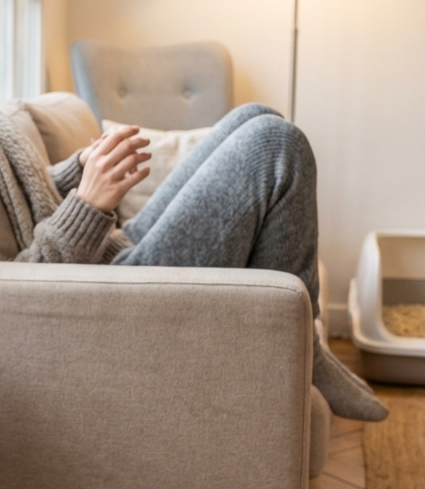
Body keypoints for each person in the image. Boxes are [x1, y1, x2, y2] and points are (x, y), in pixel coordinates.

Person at [22, 103, 388, 422]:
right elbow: (26, 293)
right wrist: (86, 205)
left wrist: (80, 167)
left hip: (106, 250)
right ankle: (300, 343)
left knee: (256, 114)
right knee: (275, 143)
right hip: (101, 295)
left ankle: (294, 335)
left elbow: (29, 194)